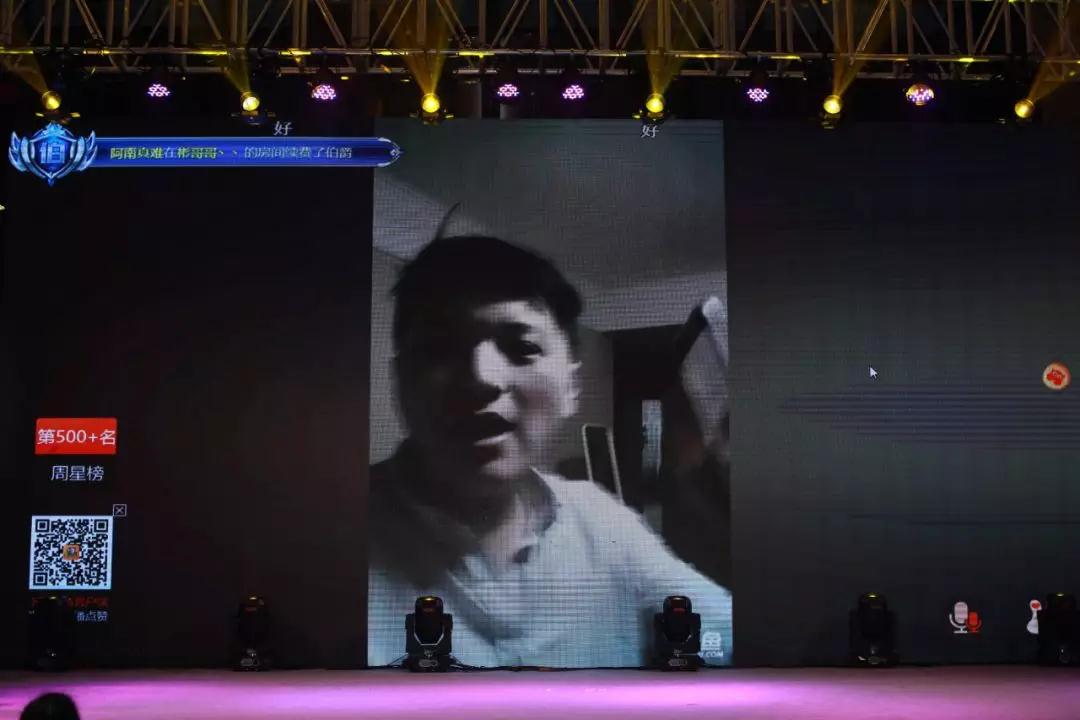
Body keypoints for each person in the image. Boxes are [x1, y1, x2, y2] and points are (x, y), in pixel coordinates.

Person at [367, 234, 732, 667]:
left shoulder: (600, 520)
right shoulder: (327, 536)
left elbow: (728, 636)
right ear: (400, 381)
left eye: (522, 348)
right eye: (440, 349)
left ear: (571, 386)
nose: (481, 378)